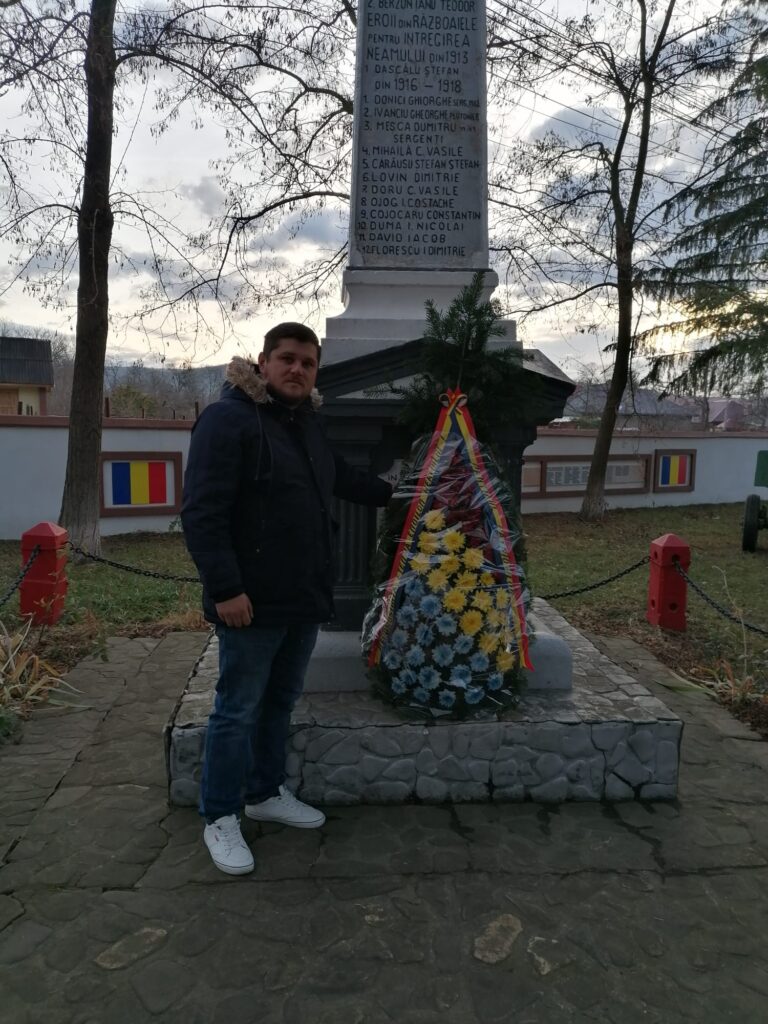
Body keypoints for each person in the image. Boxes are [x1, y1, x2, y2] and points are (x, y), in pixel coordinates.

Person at [181, 323, 391, 875]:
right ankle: (219, 815)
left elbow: (341, 478)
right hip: (249, 603)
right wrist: (226, 589)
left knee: (280, 701)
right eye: (287, 359)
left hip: (302, 596)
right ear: (263, 362)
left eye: (308, 363)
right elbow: (202, 512)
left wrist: (404, 493)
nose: (297, 369)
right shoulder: (227, 420)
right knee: (236, 709)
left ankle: (264, 792)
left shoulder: (306, 423)